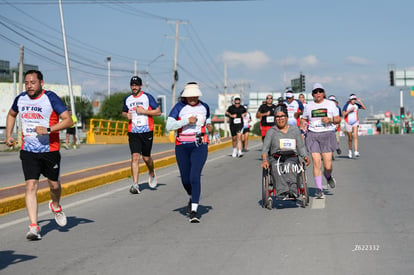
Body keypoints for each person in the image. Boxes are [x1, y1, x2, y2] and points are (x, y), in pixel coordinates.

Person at [5, 70, 73, 240]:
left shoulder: (50, 98)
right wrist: (8, 135)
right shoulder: (20, 99)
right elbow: (12, 114)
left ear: (41, 83)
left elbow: (68, 120)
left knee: (54, 186)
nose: (29, 85)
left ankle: (55, 206)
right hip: (29, 151)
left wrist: (48, 129)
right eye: (27, 82)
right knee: (30, 186)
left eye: (33, 82)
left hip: (50, 150)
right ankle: (34, 227)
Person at [166, 82, 213, 223]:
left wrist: (209, 126)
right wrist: (186, 121)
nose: (192, 98)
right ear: (185, 96)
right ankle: (193, 196)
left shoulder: (204, 107)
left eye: (195, 96)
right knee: (185, 179)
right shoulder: (179, 107)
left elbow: (208, 120)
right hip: (182, 146)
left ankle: (193, 210)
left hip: (200, 145)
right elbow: (169, 126)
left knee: (194, 176)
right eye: (189, 96)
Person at [261, 103, 311, 199]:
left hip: (291, 156)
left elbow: (300, 146)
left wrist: (305, 157)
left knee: (290, 166)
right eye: (277, 117)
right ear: (275, 119)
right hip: (276, 157)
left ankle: (293, 191)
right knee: (276, 167)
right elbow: (265, 149)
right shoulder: (271, 132)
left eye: (282, 116)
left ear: (287, 117)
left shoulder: (295, 130)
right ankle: (282, 191)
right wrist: (264, 160)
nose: (280, 119)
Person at [122, 76, 161, 194]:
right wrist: (126, 116)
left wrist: (144, 111)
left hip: (147, 131)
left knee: (146, 157)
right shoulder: (127, 99)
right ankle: (135, 184)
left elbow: (158, 112)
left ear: (140, 86)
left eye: (136, 85)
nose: (134, 87)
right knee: (135, 156)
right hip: (133, 131)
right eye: (132, 85)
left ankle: (152, 172)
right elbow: (124, 112)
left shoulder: (147, 97)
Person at [302, 83, 341, 199]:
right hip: (313, 134)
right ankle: (319, 189)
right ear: (312, 94)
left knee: (328, 165)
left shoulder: (330, 104)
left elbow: (338, 119)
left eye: (320, 91)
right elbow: (304, 118)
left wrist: (330, 119)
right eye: (315, 92)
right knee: (316, 162)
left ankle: (328, 176)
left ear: (323, 92)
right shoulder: (309, 106)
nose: (318, 94)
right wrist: (303, 124)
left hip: (328, 133)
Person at [342, 94, 366, 158]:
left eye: (354, 99)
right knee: (350, 138)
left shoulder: (356, 105)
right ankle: (350, 150)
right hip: (348, 122)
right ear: (350, 100)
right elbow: (343, 114)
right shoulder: (347, 105)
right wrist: (349, 111)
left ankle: (356, 151)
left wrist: (360, 101)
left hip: (355, 122)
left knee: (355, 136)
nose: (354, 101)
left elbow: (364, 108)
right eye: (352, 99)